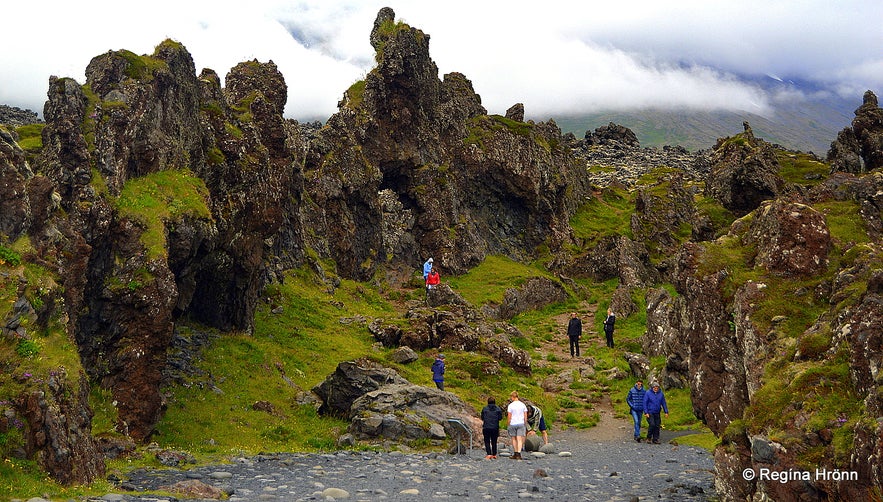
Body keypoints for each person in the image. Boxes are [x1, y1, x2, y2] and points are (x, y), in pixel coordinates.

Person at [506, 391, 528, 460]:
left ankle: (515, 452)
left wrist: (508, 423)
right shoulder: (523, 405)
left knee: (514, 438)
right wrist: (524, 422)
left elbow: (509, 416)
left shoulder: (511, 406)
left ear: (513, 397)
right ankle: (519, 453)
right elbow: (525, 416)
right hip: (521, 423)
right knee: (519, 439)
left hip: (513, 423)